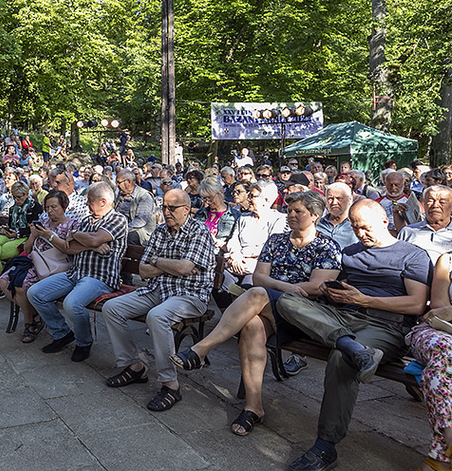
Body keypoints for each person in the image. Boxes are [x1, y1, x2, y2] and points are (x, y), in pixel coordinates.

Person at [276, 199, 431, 471]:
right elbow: (340, 291)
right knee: (286, 301)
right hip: (345, 317)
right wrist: (331, 291)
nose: (361, 234)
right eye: (356, 228)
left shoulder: (412, 255)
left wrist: (365, 299)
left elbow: (417, 304)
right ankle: (352, 346)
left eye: (366, 227)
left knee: (341, 357)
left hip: (385, 325)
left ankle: (325, 446)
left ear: (385, 221)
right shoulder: (349, 252)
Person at [172, 191, 341, 435]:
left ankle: (201, 349)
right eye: (289, 210)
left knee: (257, 293)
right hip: (274, 310)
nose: (291, 215)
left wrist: (279, 288)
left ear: (314, 216)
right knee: (251, 324)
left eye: (298, 211)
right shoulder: (276, 241)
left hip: (307, 315)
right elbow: (259, 275)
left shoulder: (326, 246)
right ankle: (254, 408)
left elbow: (317, 287)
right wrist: (286, 287)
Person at [102, 189, 217, 412]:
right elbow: (144, 271)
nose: (166, 212)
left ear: (186, 209)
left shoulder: (199, 231)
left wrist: (161, 263)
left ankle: (170, 385)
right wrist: (169, 265)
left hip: (189, 295)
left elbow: (185, 269)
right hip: (157, 289)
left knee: (157, 316)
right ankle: (134, 366)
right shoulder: (160, 231)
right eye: (164, 207)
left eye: (172, 208)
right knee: (111, 307)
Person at [27, 182, 128, 362]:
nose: (87, 204)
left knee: (72, 303)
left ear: (103, 201)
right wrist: (87, 242)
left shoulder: (117, 219)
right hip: (75, 273)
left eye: (90, 201)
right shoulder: (88, 220)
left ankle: (84, 342)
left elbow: (95, 238)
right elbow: (69, 247)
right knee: (35, 293)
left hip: (100, 277)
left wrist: (78, 235)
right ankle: (62, 334)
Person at [0, 190, 76, 342]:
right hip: (36, 263)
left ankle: (29, 322)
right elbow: (27, 249)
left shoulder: (72, 225)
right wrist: (33, 235)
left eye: (54, 207)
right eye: (47, 207)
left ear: (64, 206)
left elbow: (69, 250)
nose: (50, 211)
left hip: (57, 267)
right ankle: (35, 316)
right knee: (4, 280)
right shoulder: (43, 222)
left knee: (21, 286)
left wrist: (49, 236)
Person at [408, 252, 452, 471]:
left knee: (444, 364)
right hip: (437, 332)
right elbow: (439, 309)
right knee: (447, 351)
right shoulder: (448, 260)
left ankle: (440, 459)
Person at [0, 181, 42, 296]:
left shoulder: (35, 207)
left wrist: (16, 233)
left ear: (26, 194)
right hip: (13, 236)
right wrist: (6, 229)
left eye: (19, 197)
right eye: (14, 197)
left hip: (26, 239)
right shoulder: (13, 208)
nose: (16, 200)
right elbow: (12, 226)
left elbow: (35, 228)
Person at [223, 180, 288, 289]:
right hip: (236, 263)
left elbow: (270, 248)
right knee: (218, 279)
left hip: (258, 266)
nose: (248, 199)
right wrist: (235, 254)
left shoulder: (279, 220)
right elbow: (234, 240)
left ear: (266, 200)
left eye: (252, 196)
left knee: (249, 284)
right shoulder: (244, 218)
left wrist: (242, 255)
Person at [398, 185, 452, 265]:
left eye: (442, 202)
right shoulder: (408, 231)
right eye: (430, 201)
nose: (435, 205)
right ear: (423, 204)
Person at [193, 178, 241, 253]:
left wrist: (216, 241)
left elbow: (236, 244)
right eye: (204, 199)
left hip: (220, 257)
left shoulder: (235, 216)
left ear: (221, 192)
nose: (208, 202)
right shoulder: (200, 213)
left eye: (210, 197)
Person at [115, 170, 157, 246]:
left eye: (118, 182)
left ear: (128, 182)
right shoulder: (120, 194)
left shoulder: (144, 196)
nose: (116, 185)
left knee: (125, 238)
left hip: (140, 232)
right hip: (120, 228)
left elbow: (140, 221)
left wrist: (121, 230)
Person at [315, 182, 360, 250]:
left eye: (339, 198)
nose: (334, 202)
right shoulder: (317, 225)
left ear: (350, 199)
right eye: (330, 198)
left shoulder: (358, 225)